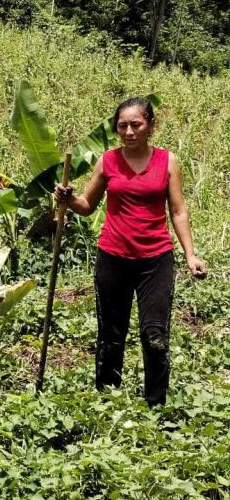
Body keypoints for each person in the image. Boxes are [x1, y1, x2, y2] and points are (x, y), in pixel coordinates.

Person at [55, 97, 207, 407]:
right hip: (113, 258)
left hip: (156, 260)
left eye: (136, 125)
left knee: (155, 337)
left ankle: (156, 406)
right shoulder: (108, 161)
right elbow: (86, 206)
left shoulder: (168, 162)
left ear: (151, 126)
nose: (128, 131)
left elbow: (178, 211)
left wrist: (190, 254)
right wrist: (68, 199)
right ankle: (106, 402)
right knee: (111, 336)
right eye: (122, 125)